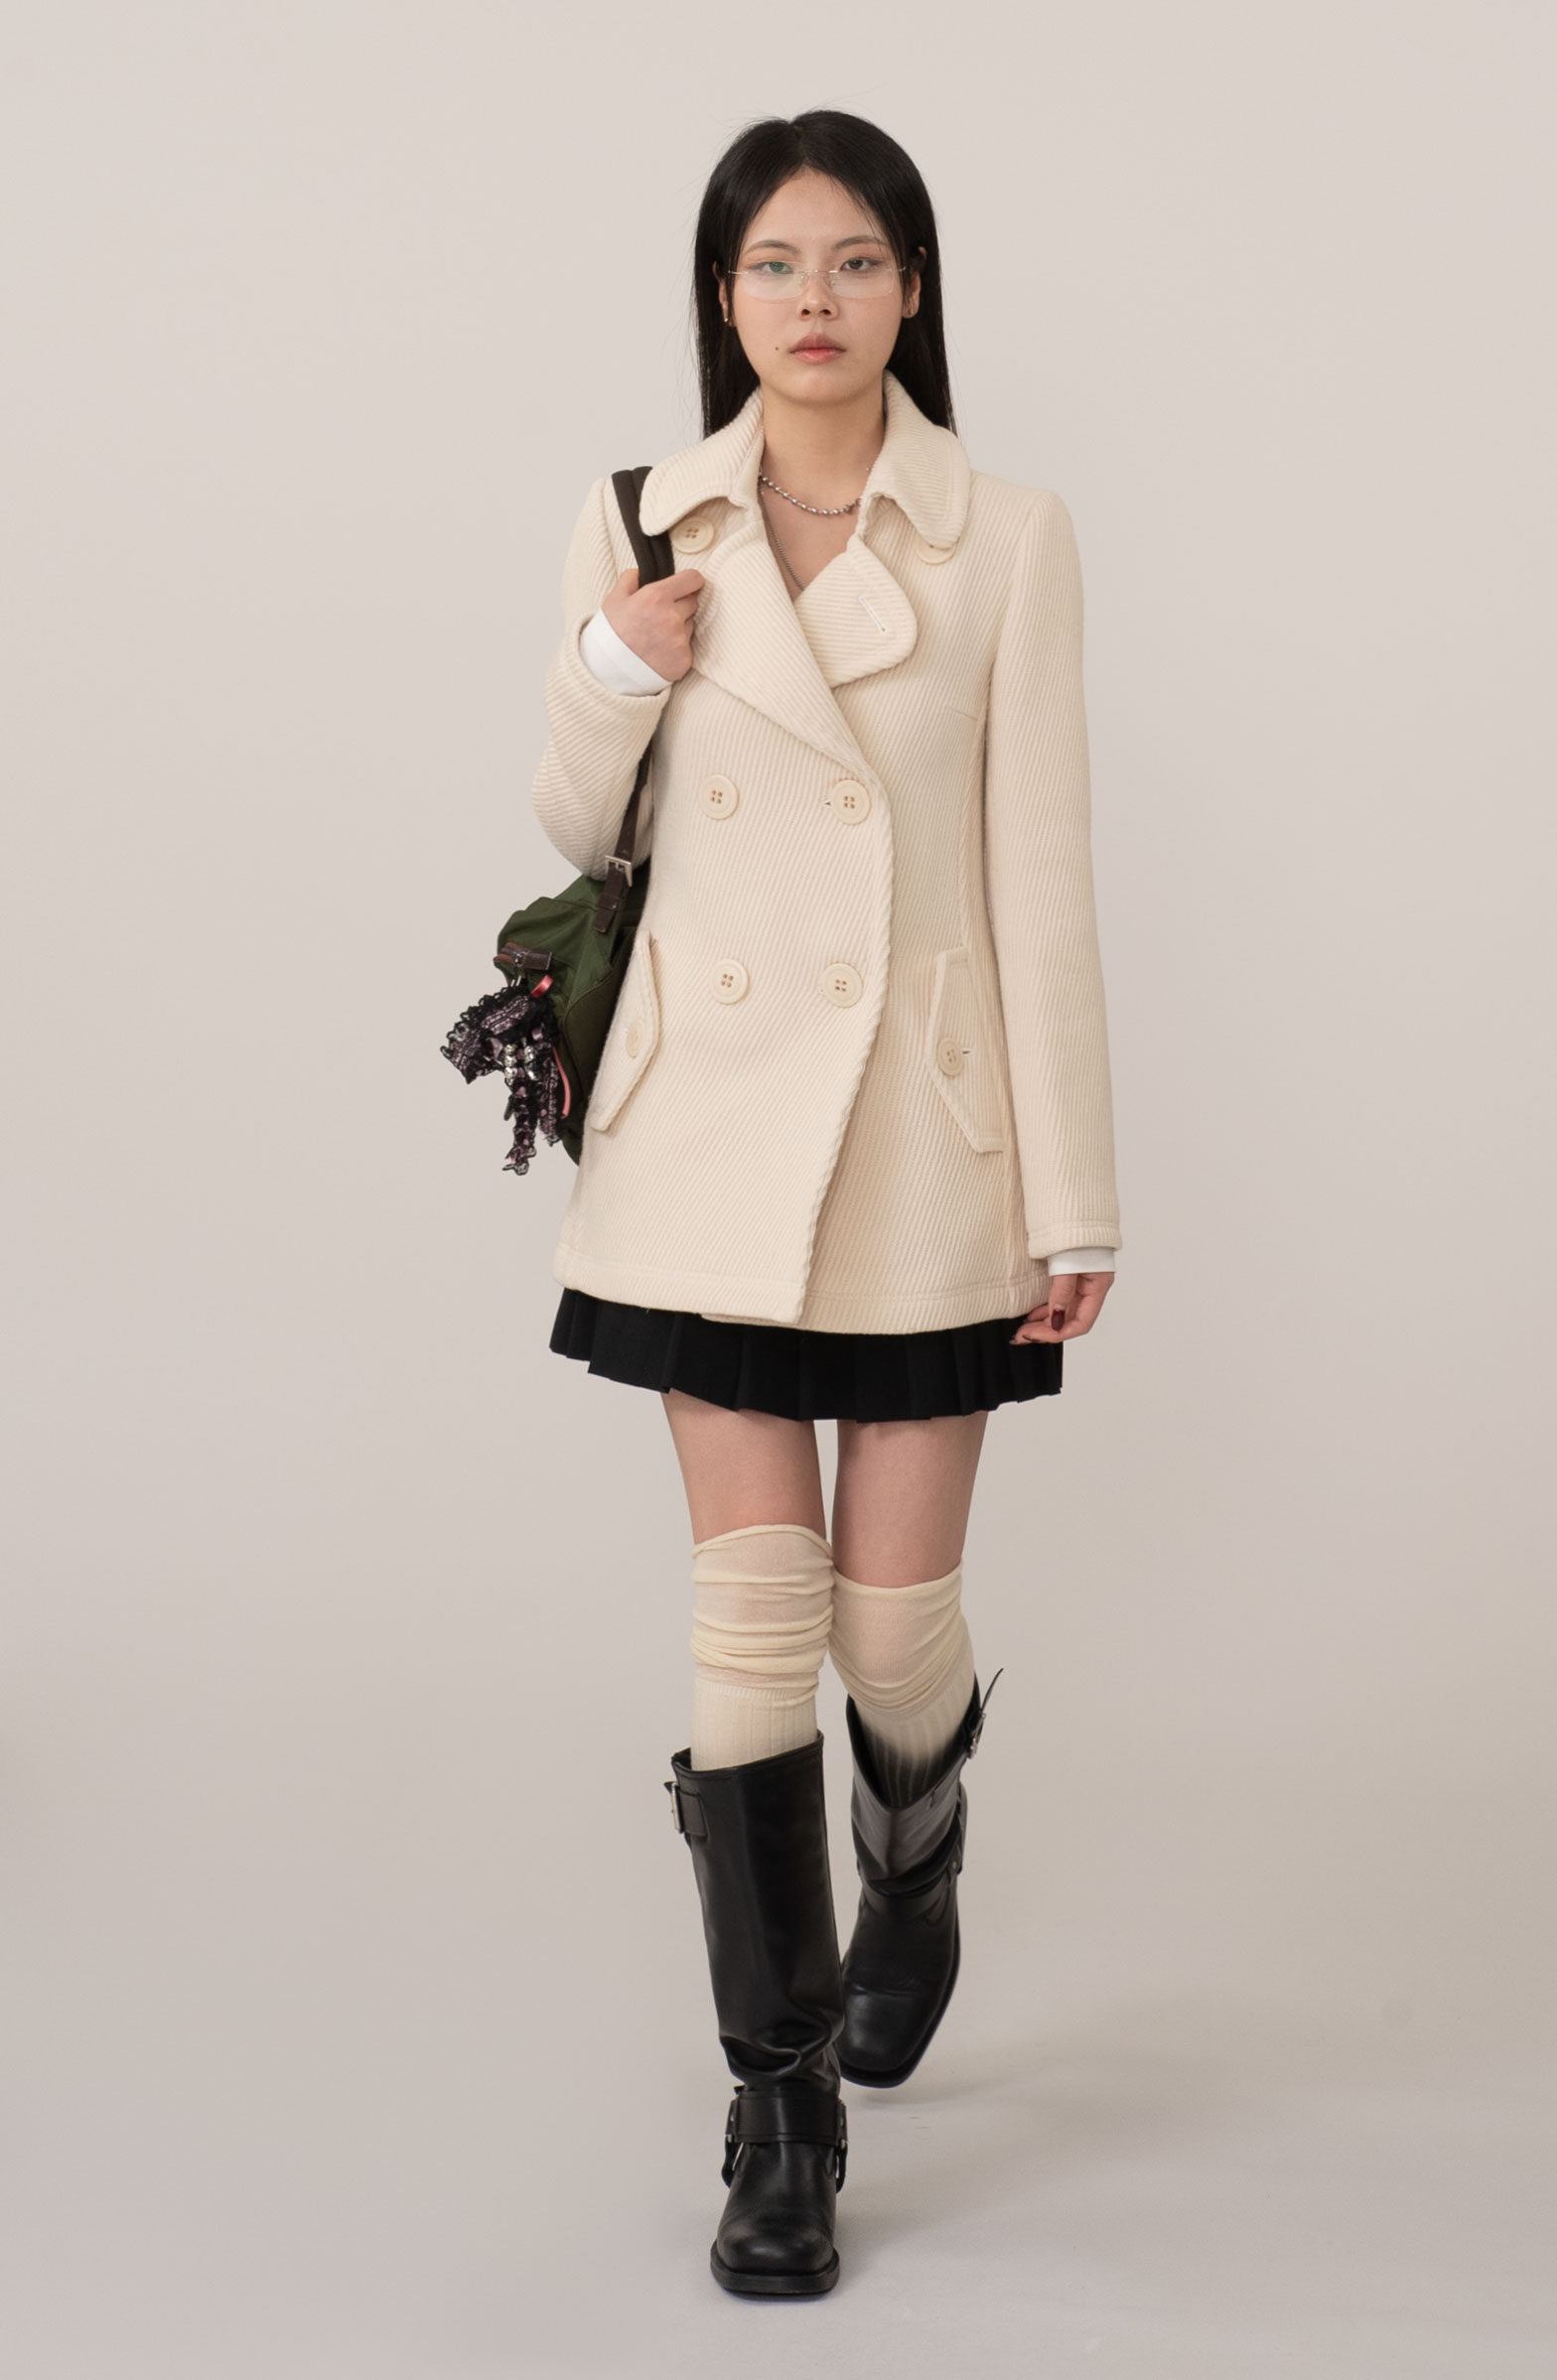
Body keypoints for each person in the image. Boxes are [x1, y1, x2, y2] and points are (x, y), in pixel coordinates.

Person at [531, 109, 1121, 2298]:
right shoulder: (639, 519)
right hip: (706, 1136)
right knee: (752, 1614)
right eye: (774, 263)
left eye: (854, 260)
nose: (813, 299)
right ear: (723, 295)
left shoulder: (1009, 536)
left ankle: (920, 1841)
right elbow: (571, 811)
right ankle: (777, 2104)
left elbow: (1039, 876)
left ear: (910, 289)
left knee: (888, 1631)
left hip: (922, 1142)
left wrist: (1075, 1192)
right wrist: (619, 661)